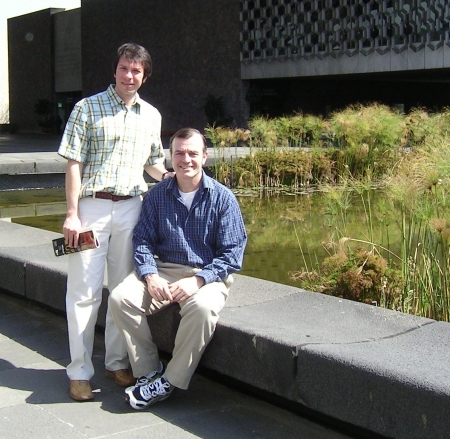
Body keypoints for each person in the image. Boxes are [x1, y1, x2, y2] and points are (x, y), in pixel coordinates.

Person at [58, 43, 172, 402]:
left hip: (131, 209)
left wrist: (173, 176)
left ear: (145, 75)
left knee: (123, 290)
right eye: (124, 68)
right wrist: (72, 213)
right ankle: (78, 371)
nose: (129, 76)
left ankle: (115, 361)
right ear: (115, 70)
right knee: (84, 293)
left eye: (136, 71)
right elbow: (73, 163)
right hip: (91, 209)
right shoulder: (86, 108)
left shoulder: (151, 116)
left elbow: (152, 163)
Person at [109, 128, 247, 410]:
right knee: (120, 298)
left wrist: (198, 280)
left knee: (203, 310)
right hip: (164, 269)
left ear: (205, 157)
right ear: (170, 158)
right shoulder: (157, 195)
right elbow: (143, 241)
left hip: (208, 274)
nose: (186, 159)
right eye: (179, 153)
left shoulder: (223, 198)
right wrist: (149, 275)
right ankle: (148, 371)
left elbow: (233, 254)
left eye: (193, 153)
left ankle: (169, 381)